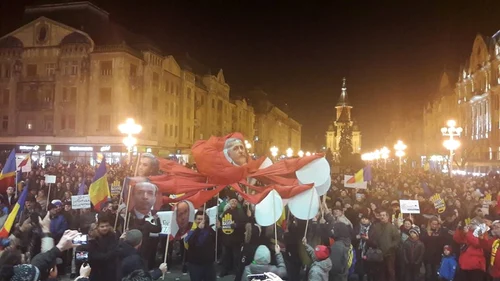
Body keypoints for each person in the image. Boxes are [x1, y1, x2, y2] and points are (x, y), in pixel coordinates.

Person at [367, 208, 400, 281]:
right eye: (381, 215)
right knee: (380, 272)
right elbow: (372, 237)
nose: (382, 217)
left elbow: (397, 240)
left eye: (384, 215)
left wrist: (390, 246)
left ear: (387, 217)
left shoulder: (392, 227)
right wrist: (375, 245)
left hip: (390, 254)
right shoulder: (376, 226)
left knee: (390, 271)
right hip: (379, 253)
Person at [185, 211, 217, 281]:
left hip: (208, 264)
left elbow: (217, 241)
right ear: (195, 220)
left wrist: (219, 229)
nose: (201, 221)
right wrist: (198, 229)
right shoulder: (190, 230)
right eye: (198, 219)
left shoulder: (210, 230)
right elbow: (190, 242)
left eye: (202, 219)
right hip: (195, 264)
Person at [87, 213, 119, 281]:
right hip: (97, 271)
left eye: (107, 226)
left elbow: (115, 250)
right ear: (97, 227)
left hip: (110, 271)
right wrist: (108, 255)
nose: (105, 228)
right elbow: (93, 256)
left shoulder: (113, 236)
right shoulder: (93, 239)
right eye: (102, 226)